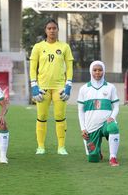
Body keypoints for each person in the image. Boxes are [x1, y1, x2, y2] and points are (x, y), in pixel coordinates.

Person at [30, 19, 74, 155]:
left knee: (60, 116)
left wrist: (69, 84)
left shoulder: (65, 47)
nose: (52, 30)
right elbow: (32, 68)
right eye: (49, 28)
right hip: (42, 87)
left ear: (57, 30)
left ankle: (61, 147)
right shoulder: (38, 47)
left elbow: (70, 67)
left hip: (59, 87)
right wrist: (34, 85)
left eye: (54, 28)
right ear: (45, 30)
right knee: (41, 116)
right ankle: (41, 146)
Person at [77, 61, 120, 166]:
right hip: (91, 126)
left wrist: (113, 117)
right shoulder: (84, 89)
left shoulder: (110, 87)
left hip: (106, 123)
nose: (97, 72)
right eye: (95, 70)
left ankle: (113, 157)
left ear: (104, 71)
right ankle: (97, 150)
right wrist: (83, 128)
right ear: (90, 71)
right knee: (93, 159)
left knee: (113, 127)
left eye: (100, 70)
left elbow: (116, 106)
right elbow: (80, 111)